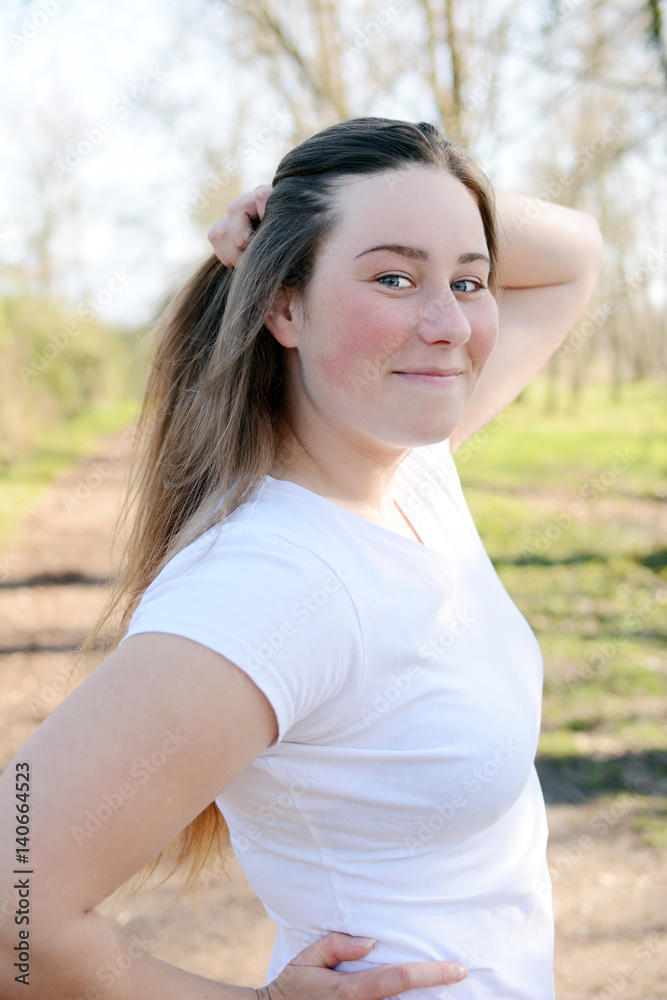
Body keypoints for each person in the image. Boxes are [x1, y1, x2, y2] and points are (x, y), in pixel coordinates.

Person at [0, 117, 604, 1000]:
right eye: (393, 277)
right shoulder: (270, 582)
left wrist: (308, 208)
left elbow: (574, 254)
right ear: (283, 305)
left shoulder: (408, 468)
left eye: (468, 280)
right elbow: (16, 903)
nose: (448, 323)